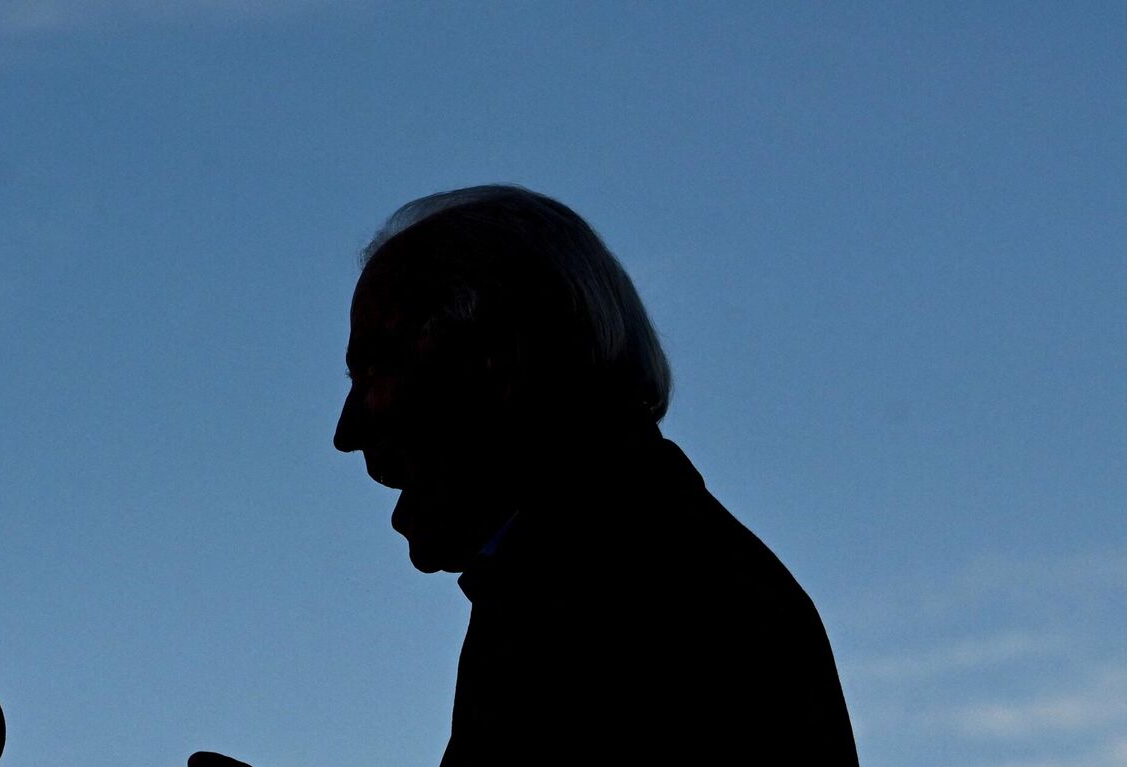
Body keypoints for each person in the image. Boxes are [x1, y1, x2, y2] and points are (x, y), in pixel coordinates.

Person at [193, 186, 858, 765]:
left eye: (378, 367)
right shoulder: (611, 562)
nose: (347, 429)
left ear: (500, 361)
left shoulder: (618, 589)